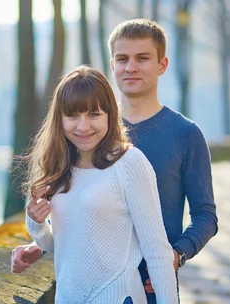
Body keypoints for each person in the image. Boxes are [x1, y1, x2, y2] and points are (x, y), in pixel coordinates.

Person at [11, 19, 218, 302]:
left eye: (142, 58)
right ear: (112, 65)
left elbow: (205, 215)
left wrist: (177, 254)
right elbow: (82, 212)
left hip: (153, 284)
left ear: (162, 65)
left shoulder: (185, 134)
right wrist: (38, 240)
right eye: (122, 59)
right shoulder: (87, 131)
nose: (130, 67)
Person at [24, 65, 178, 303]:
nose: (83, 126)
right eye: (73, 115)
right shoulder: (56, 169)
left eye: (94, 114)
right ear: (60, 118)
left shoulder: (129, 163)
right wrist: (36, 223)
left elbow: (158, 252)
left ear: (110, 114)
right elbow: (60, 245)